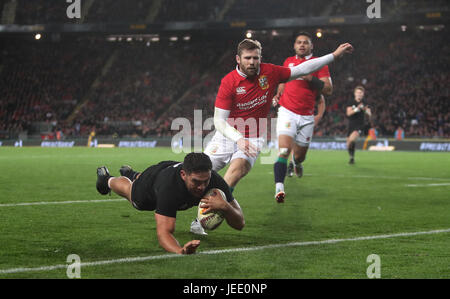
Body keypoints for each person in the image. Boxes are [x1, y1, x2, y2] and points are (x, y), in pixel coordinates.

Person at [189, 38, 354, 234]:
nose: (252, 62)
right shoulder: (228, 82)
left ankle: (201, 220)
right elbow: (219, 122)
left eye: (256, 58)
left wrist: (333, 56)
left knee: (234, 173)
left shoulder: (271, 72)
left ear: (260, 58)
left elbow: (303, 69)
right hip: (227, 136)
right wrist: (238, 139)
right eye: (248, 58)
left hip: (254, 137)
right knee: (196, 177)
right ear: (238, 59)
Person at [95, 152, 245, 255]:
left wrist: (225, 206)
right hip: (153, 182)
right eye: (196, 182)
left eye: (205, 181)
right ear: (183, 175)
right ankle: (107, 179)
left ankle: (132, 173)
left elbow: (240, 223)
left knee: (141, 180)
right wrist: (180, 250)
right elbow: (163, 233)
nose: (201, 187)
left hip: (165, 173)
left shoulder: (215, 181)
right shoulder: (169, 188)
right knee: (133, 195)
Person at [272, 32, 333, 202]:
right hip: (287, 111)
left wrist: (310, 78)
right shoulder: (288, 61)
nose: (302, 45)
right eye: (299, 42)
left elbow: (328, 90)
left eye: (305, 42)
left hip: (306, 116)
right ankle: (279, 188)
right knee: (283, 150)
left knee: (299, 156)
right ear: (294, 46)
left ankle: (296, 163)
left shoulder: (319, 64)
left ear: (311, 46)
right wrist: (279, 91)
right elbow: (283, 79)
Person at [346, 86, 372, 164]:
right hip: (351, 125)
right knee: (348, 144)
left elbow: (370, 114)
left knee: (351, 140)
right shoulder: (351, 102)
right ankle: (352, 158)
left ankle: (352, 156)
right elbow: (348, 113)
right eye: (357, 92)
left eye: (360, 93)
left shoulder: (365, 103)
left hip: (360, 125)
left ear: (363, 94)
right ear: (355, 94)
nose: (359, 94)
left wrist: (365, 110)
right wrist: (357, 109)